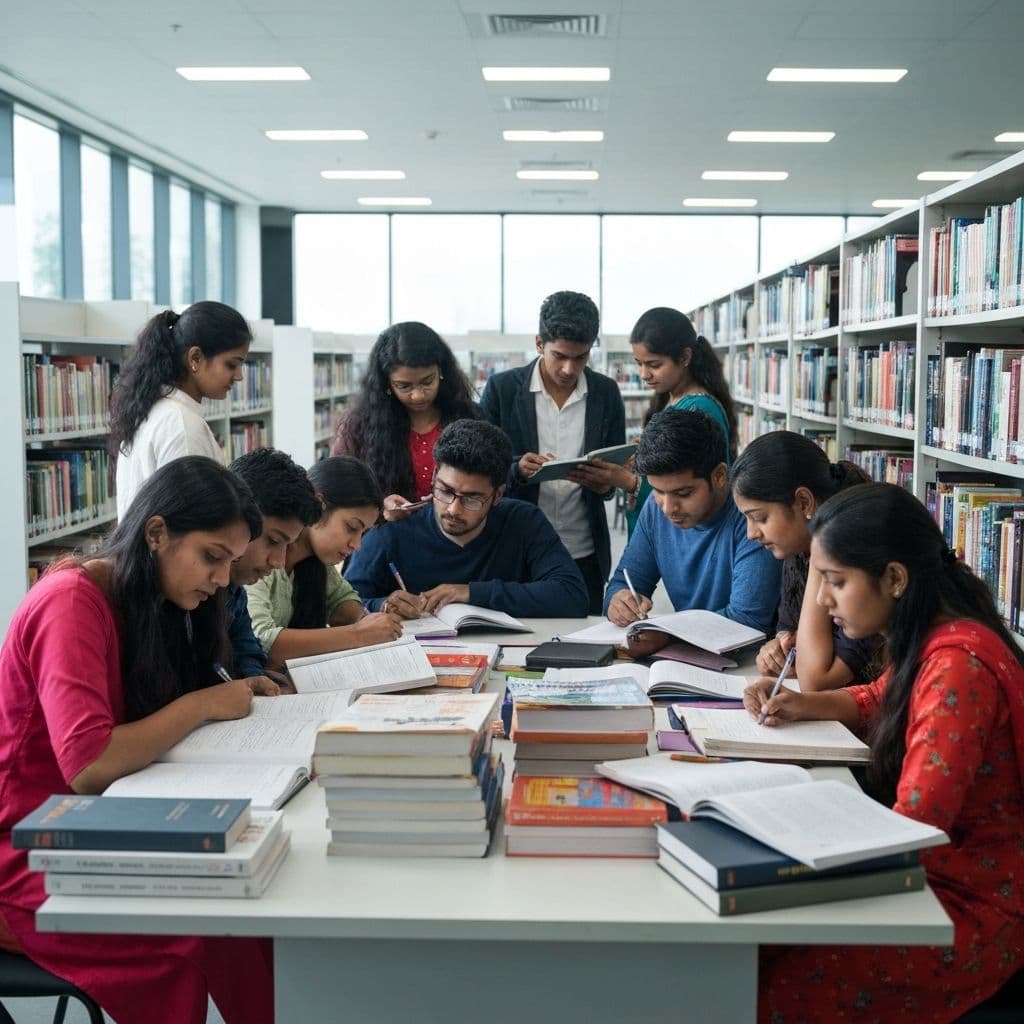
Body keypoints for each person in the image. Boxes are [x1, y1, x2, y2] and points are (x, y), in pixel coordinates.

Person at [0, 456, 275, 1024]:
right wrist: (200, 705)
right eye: (212, 557)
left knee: (253, 914)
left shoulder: (148, 600)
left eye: (231, 562)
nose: (224, 579)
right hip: (25, 845)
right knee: (194, 943)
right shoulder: (70, 600)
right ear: (157, 534)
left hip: (99, 821)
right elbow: (89, 761)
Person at [746, 483, 1024, 1024]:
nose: (823, 601)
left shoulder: (956, 669)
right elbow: (880, 697)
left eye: (836, 582)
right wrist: (803, 704)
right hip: (932, 875)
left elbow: (916, 823)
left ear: (894, 579)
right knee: (757, 945)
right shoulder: (935, 635)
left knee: (772, 976)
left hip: (969, 904)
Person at [345, 419, 589, 619]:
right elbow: (341, 605)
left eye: (472, 499)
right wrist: (383, 606)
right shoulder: (394, 531)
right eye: (445, 491)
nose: (453, 509)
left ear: (497, 495)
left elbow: (572, 595)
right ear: (433, 480)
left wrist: (471, 593)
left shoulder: (523, 521)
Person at [479, 290, 626, 615]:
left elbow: (616, 466)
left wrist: (605, 484)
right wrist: (516, 470)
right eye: (559, 355)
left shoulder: (606, 393)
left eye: (581, 357)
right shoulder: (501, 390)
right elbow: (477, 469)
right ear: (538, 343)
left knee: (584, 643)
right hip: (514, 549)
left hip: (584, 550)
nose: (569, 368)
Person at [730, 430, 883, 690]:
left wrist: (818, 546)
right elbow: (789, 632)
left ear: (804, 502)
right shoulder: (796, 547)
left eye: (760, 518)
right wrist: (776, 650)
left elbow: (816, 679)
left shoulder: (858, 555)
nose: (751, 533)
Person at [604, 408, 780, 633]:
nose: (668, 508)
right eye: (658, 490)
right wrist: (618, 602)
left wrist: (666, 634)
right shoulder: (655, 507)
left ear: (719, 475)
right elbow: (623, 581)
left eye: (684, 493)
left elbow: (746, 620)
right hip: (692, 653)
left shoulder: (752, 515)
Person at [245, 455, 403, 665]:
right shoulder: (263, 560)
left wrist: (369, 621)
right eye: (352, 528)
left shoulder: (315, 563)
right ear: (319, 508)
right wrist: (358, 634)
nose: (357, 545)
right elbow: (262, 640)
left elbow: (342, 599)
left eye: (362, 533)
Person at [601, 307, 737, 537]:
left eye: (654, 365)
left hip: (693, 535)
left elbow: (685, 486)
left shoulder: (698, 410)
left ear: (684, 357)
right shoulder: (670, 397)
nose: (644, 374)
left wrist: (628, 481)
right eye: (639, 363)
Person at [110, 301, 252, 518]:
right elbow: (193, 520)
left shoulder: (154, 410)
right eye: (231, 364)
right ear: (195, 358)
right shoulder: (181, 425)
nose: (239, 376)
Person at [330, 321, 483, 520]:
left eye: (427, 382)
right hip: (387, 539)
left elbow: (488, 482)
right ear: (387, 383)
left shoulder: (468, 417)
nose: (418, 395)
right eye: (404, 386)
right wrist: (380, 505)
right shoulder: (360, 425)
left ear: (441, 372)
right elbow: (337, 485)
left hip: (456, 537)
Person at [228, 447, 322, 686]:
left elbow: (246, 648)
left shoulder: (233, 590)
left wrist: (255, 676)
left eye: (287, 546)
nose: (278, 561)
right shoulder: (208, 584)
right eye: (273, 541)